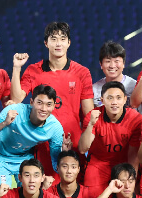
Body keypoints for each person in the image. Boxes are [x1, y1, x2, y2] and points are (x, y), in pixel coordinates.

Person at [19, 22, 93, 178]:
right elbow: (17, 98)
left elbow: (89, 114)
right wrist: (15, 69)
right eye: (53, 39)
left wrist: (87, 145)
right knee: (45, 193)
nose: (58, 43)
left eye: (62, 38)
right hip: (41, 142)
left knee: (73, 195)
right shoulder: (33, 70)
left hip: (72, 142)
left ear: (69, 42)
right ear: (46, 43)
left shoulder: (82, 72)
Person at [0, 84, 64, 191]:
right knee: (2, 194)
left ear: (54, 106)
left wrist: (65, 154)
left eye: (49, 104)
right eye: (39, 103)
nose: (44, 109)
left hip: (24, 159)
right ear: (31, 102)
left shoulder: (55, 128)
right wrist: (4, 123)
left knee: (30, 193)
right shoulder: (14, 110)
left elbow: (55, 162)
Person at [80, 81, 142, 194]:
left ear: (125, 99)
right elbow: (83, 149)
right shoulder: (93, 115)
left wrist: (130, 179)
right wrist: (90, 125)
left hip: (123, 163)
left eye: (118, 98)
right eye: (110, 98)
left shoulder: (135, 119)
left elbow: (133, 155)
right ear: (102, 100)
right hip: (98, 163)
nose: (114, 102)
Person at [92, 42, 136, 108]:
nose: (112, 66)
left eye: (116, 61)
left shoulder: (135, 87)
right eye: (108, 61)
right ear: (101, 64)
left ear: (123, 64)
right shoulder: (94, 90)